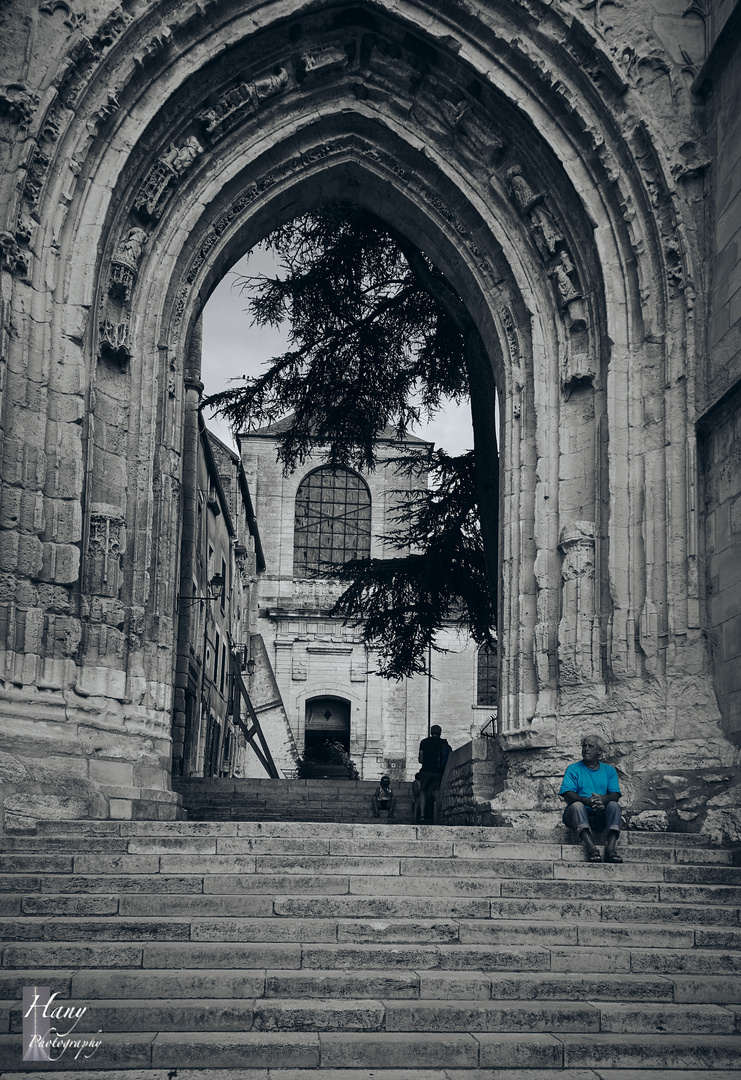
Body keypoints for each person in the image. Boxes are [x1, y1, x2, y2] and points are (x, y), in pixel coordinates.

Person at [559, 733, 623, 862]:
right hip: (576, 816)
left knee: (614, 805)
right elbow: (567, 794)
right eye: (584, 746)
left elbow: (615, 795)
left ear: (599, 751)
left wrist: (602, 800)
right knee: (577, 805)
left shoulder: (609, 770)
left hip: (600, 816)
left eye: (590, 746)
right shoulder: (573, 769)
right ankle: (592, 849)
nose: (586, 748)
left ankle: (611, 850)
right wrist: (586, 801)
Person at [417, 725, 452, 822]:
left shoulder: (424, 742)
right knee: (437, 792)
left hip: (426, 770)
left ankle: (422, 816)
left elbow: (420, 759)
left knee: (423, 791)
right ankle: (437, 816)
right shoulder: (443, 743)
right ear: (440, 732)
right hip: (438, 771)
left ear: (431, 732)